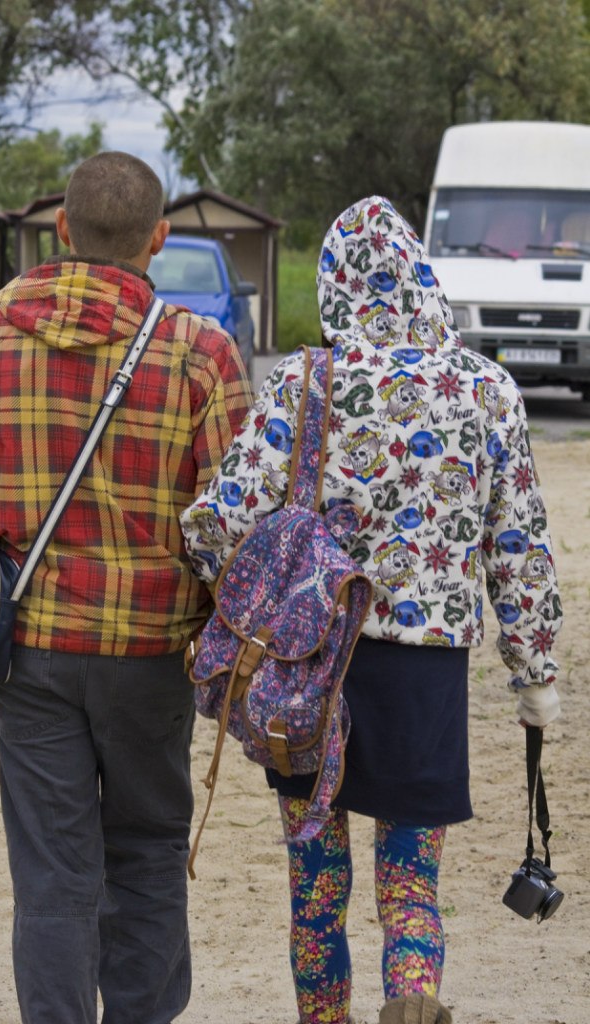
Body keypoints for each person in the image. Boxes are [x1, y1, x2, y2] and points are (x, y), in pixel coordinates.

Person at [180, 195, 563, 1024]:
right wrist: (534, 671)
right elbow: (519, 546)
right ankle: (414, 998)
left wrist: (239, 594)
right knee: (411, 880)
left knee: (316, 886)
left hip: (310, 665)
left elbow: (216, 521)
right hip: (427, 676)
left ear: (333, 286)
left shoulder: (306, 380)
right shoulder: (486, 390)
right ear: (422, 277)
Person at [0, 151, 254, 1024]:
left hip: (30, 658)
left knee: (52, 875)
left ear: (61, 229)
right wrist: (203, 628)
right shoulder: (204, 354)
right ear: (159, 239)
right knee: (148, 851)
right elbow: (241, 535)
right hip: (153, 658)